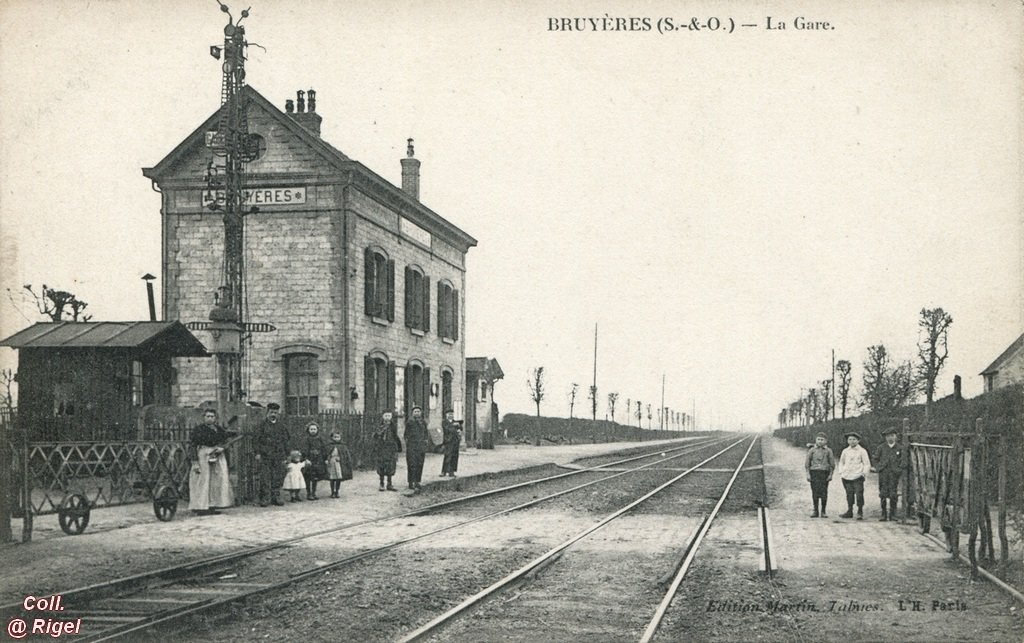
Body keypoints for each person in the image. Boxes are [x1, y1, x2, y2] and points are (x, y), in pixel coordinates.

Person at [188, 408, 234, 515]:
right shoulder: (198, 430)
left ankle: (213, 504)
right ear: (204, 418)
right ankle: (200, 506)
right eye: (207, 416)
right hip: (204, 455)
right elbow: (192, 445)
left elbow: (225, 441)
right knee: (203, 480)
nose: (210, 418)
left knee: (217, 480)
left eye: (212, 416)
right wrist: (194, 461)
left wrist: (222, 448)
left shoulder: (219, 429)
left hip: (217, 455)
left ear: (215, 418)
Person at [253, 402, 287, 507]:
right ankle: (266, 497)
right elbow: (256, 440)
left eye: (276, 413)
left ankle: (276, 497)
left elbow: (285, 440)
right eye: (272, 412)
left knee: (277, 476)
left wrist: (285, 454)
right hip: (265, 454)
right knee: (265, 477)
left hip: (277, 454)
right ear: (267, 413)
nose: (273, 414)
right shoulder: (261, 425)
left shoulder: (281, 426)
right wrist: (257, 452)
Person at [871, 427, 904, 522]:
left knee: (893, 493)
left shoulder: (900, 448)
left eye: (892, 436)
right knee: (883, 493)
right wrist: (878, 467)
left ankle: (893, 514)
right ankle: (883, 513)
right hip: (883, 473)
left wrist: (898, 469)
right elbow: (875, 459)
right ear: (885, 437)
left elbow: (903, 460)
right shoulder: (881, 447)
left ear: (896, 437)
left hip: (894, 474)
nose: (890, 438)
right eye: (888, 436)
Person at [837, 431, 871, 520]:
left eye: (854, 439)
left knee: (859, 494)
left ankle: (860, 511)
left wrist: (864, 474)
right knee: (849, 494)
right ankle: (850, 511)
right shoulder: (845, 451)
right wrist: (841, 472)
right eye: (850, 439)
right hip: (847, 476)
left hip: (858, 476)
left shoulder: (862, 451)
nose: (852, 441)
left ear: (858, 441)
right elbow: (841, 462)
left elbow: (867, 463)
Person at [804, 432, 835, 518]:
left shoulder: (829, 451)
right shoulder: (812, 450)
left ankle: (823, 511)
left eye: (822, 440)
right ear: (815, 440)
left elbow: (832, 464)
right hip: (814, 473)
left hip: (824, 473)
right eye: (818, 439)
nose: (820, 441)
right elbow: (807, 463)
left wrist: (830, 474)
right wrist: (808, 474)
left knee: (824, 492)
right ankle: (815, 510)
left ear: (826, 441)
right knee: (815, 492)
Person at [373, 410, 401, 491]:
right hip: (381, 448)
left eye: (389, 416)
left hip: (390, 448)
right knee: (381, 465)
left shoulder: (393, 426)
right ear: (383, 417)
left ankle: (389, 483)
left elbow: (395, 436)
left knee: (390, 466)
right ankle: (381, 483)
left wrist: (397, 447)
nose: (387, 418)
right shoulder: (379, 426)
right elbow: (375, 435)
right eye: (386, 416)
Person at [404, 406, 430, 491]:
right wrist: (409, 444)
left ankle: (417, 481)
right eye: (415, 411)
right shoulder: (410, 422)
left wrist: (425, 441)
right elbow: (406, 434)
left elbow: (426, 433)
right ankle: (411, 482)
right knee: (412, 464)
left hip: (421, 447)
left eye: (418, 411)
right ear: (412, 413)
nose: (417, 413)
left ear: (421, 413)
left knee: (420, 464)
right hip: (412, 447)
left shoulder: (423, 422)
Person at [302, 422, 327, 500]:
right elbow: (304, 449)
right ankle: (308, 493)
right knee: (308, 477)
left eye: (314, 429)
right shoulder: (306, 439)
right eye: (311, 429)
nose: (313, 431)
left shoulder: (320, 439)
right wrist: (305, 458)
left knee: (315, 477)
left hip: (318, 460)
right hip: (310, 459)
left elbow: (324, 449)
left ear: (317, 430)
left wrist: (325, 458)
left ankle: (314, 492)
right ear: (308, 430)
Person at [325, 431, 353, 499]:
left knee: (338, 478)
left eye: (338, 437)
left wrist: (343, 460)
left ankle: (337, 491)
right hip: (331, 463)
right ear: (332, 437)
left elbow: (346, 455)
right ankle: (332, 492)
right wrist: (326, 459)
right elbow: (326, 454)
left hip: (339, 463)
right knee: (332, 478)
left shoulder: (343, 446)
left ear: (340, 438)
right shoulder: (329, 445)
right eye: (335, 437)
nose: (336, 438)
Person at [440, 409, 462, 477]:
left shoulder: (455, 422)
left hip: (455, 441)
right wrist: (454, 426)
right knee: (447, 456)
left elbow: (460, 428)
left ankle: (451, 471)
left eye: (452, 414)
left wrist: (459, 429)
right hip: (448, 441)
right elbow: (448, 429)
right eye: (449, 414)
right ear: (446, 415)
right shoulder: (444, 422)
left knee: (454, 456)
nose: (450, 416)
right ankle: (444, 471)